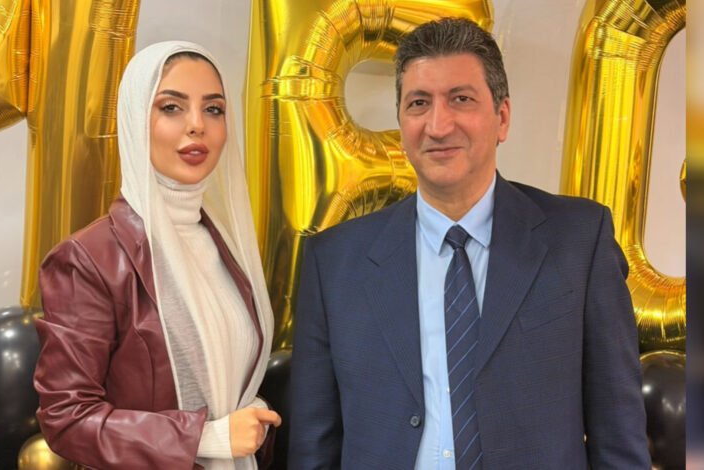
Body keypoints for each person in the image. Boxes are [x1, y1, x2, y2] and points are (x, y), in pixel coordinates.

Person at [288, 18, 650, 469]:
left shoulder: (579, 240)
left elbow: (619, 429)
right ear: (401, 123)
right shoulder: (335, 262)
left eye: (461, 99)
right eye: (419, 103)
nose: (438, 125)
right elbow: (314, 446)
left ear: (502, 117)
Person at [34, 41, 281, 470]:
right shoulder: (89, 259)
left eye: (214, 109)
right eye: (171, 108)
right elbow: (67, 419)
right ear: (135, 119)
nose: (197, 125)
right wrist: (204, 437)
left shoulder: (223, 245)